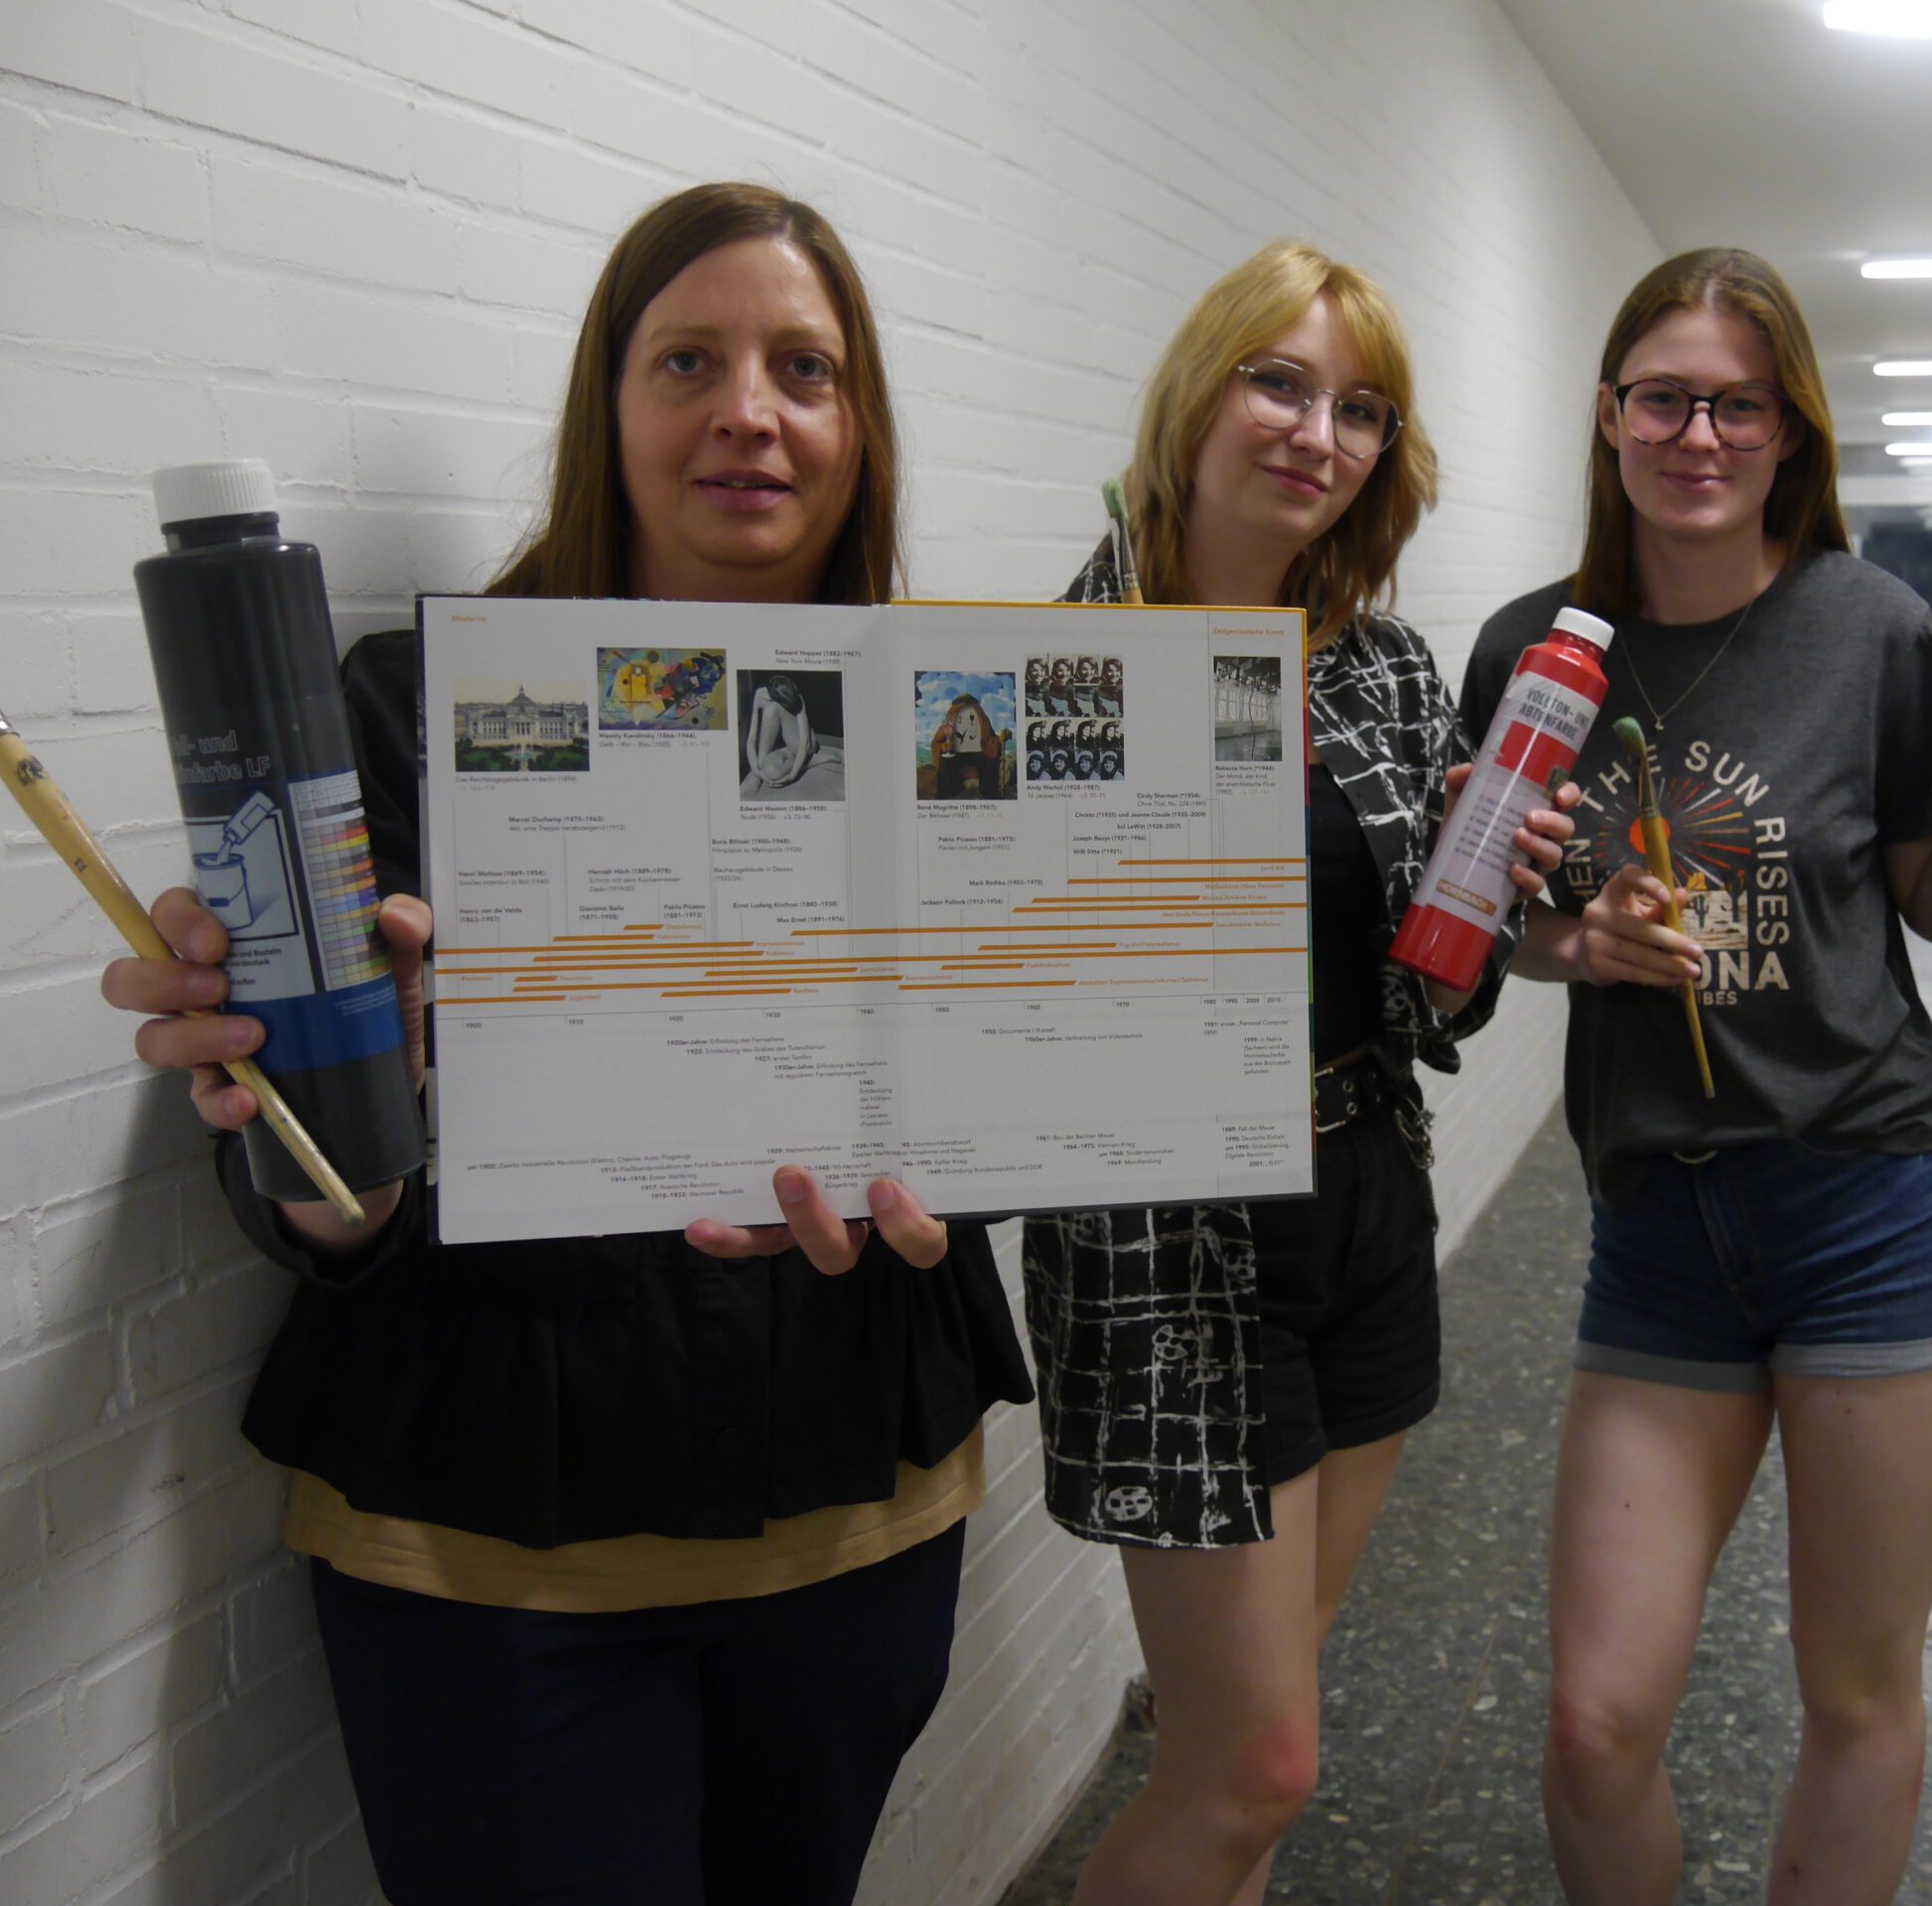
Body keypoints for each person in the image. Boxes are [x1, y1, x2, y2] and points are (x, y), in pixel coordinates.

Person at [98, 183, 1031, 1906]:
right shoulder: (402, 713)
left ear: (860, 430)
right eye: (688, 360)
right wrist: (331, 1113)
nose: (748, 410)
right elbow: (340, 1214)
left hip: (850, 1514)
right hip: (486, 1550)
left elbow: (1015, 1081)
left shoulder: (957, 733)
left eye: (804, 368)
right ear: (611, 408)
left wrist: (970, 1156)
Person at [1464, 247, 1932, 1906]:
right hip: (1657, 1228)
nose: (1700, 436)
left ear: (1789, 432)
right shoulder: (1534, 647)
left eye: (1740, 406)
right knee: (1594, 1724)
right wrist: (1581, 943)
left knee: (1857, 1690)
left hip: (1872, 1203)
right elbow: (1488, 927)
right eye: (1666, 399)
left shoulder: (1868, 628)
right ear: (1608, 415)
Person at [1022, 238, 1576, 1906]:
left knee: (1255, 1749)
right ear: (1198, 397)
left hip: (1366, 1200)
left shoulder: (1382, 669)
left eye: (1359, 408)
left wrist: (1493, 888)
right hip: (1168, 1245)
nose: (1316, 433)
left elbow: (1434, 999)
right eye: (1279, 382)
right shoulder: (1052, 673)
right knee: (1254, 1766)